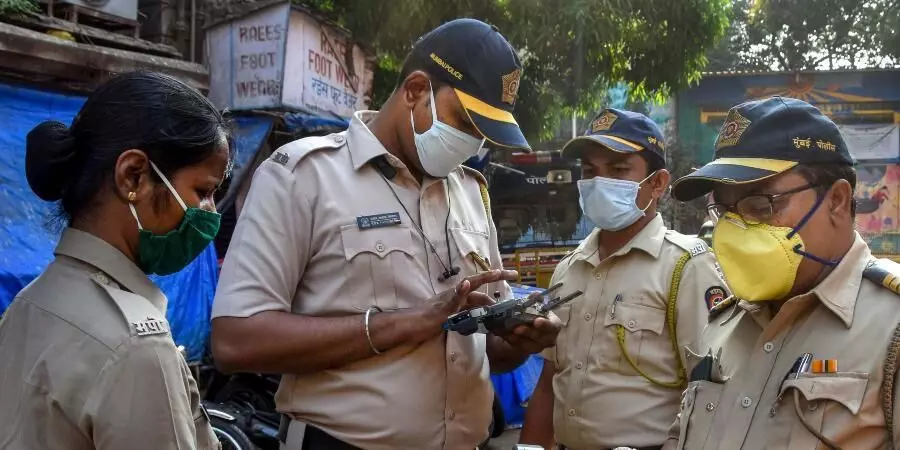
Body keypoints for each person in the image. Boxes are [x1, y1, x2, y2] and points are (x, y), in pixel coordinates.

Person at [210, 18, 561, 450]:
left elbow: (490, 350)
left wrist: (523, 338)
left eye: (482, 135)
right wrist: (405, 324)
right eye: (466, 124)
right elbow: (235, 341)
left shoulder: (471, 192)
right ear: (415, 90)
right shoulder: (304, 175)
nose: (473, 144)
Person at [0, 71, 230, 449]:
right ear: (133, 176)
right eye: (203, 191)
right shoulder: (137, 348)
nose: (211, 213)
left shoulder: (27, 304)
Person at [663, 96, 900, 449]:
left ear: (836, 200)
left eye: (760, 206)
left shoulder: (891, 329)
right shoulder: (724, 322)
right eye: (725, 212)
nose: (735, 231)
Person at [518, 108, 730, 450]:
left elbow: (711, 393)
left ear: (658, 183)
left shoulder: (685, 267)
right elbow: (549, 381)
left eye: (618, 170)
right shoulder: (569, 268)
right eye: (590, 171)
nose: (600, 182)